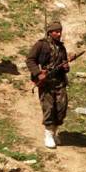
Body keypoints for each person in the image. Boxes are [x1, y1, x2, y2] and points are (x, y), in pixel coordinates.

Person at [26, 21, 69, 149]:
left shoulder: (62, 47)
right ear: (50, 32)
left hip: (60, 82)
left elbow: (64, 64)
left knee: (61, 108)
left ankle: (55, 132)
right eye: (56, 31)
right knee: (49, 108)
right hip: (46, 83)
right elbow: (30, 60)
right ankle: (48, 134)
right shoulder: (41, 45)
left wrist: (66, 67)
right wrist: (38, 73)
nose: (59, 33)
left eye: (60, 31)